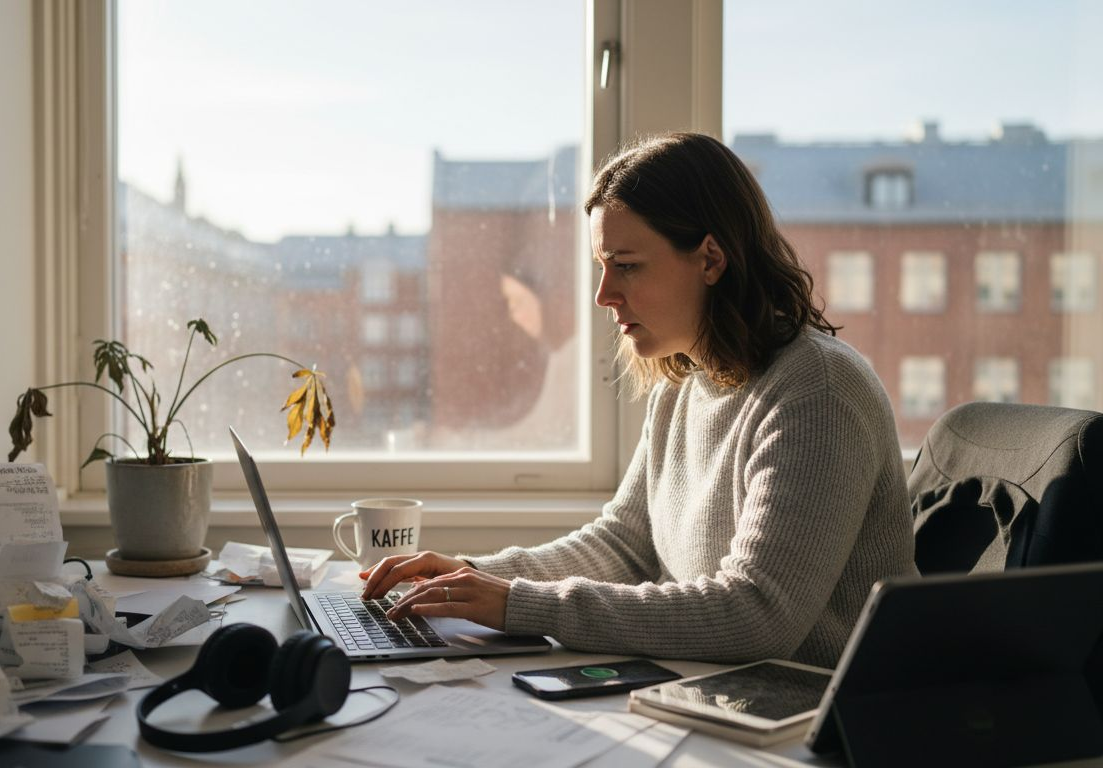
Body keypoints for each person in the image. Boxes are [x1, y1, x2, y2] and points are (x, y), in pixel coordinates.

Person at [361, 132, 916, 667]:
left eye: (626, 266)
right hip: (718, 694)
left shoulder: (817, 391)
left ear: (711, 259)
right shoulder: (682, 384)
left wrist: (516, 605)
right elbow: (625, 547)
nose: (604, 295)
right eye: (603, 267)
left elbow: (757, 613)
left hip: (819, 718)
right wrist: (471, 578)